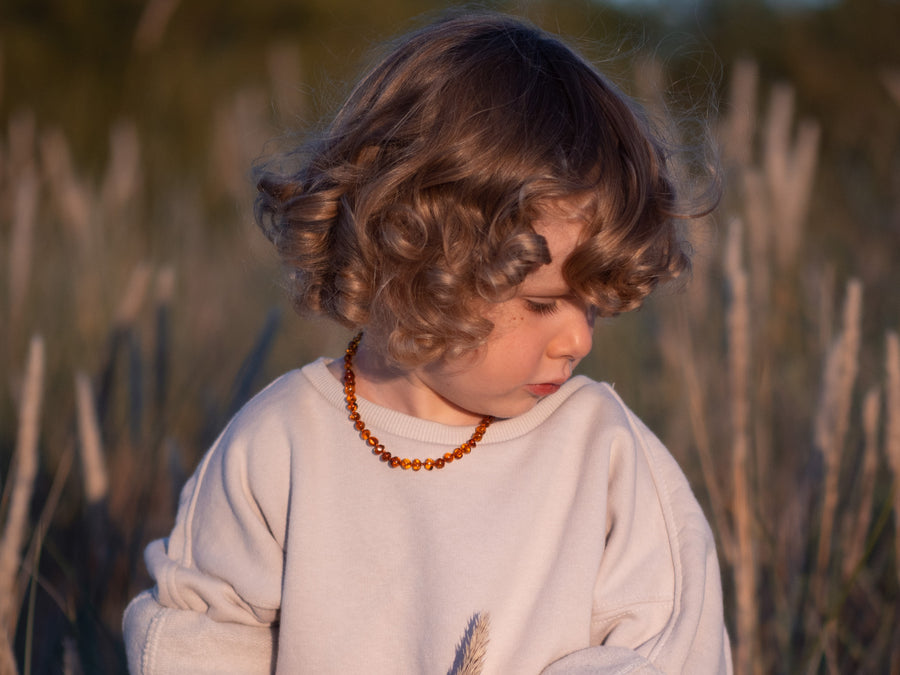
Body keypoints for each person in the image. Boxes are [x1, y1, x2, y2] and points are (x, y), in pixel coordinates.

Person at [123, 11, 731, 674]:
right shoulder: (282, 444)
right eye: (542, 302)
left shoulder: (604, 457)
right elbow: (202, 632)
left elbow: (668, 648)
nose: (579, 337)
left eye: (592, 302)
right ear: (417, 256)